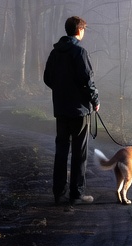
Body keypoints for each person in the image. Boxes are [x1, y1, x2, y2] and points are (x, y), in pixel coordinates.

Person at [43, 15, 101, 205]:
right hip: (79, 111)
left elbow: (47, 78)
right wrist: (95, 100)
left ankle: (59, 193)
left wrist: (61, 91)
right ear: (79, 30)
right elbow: (87, 81)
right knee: (79, 152)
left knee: (61, 151)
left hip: (60, 108)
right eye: (84, 29)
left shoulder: (55, 52)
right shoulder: (79, 52)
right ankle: (77, 193)